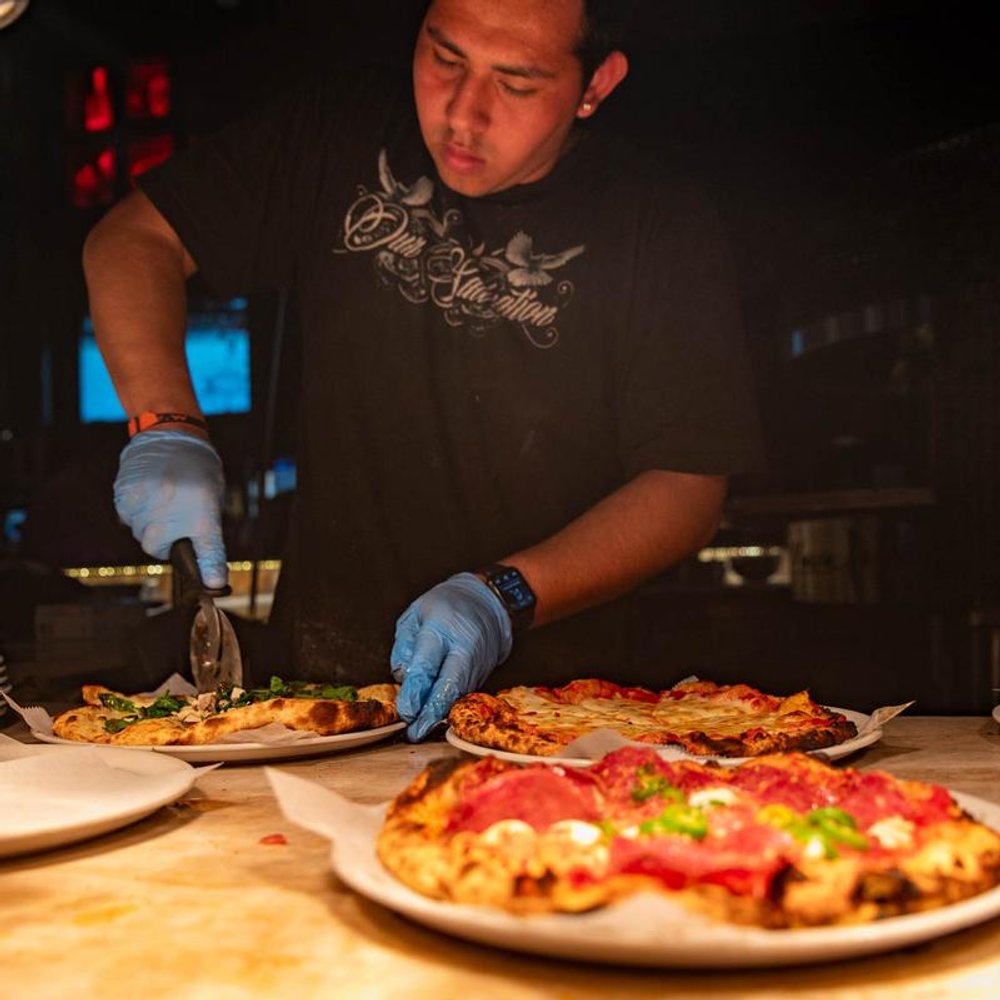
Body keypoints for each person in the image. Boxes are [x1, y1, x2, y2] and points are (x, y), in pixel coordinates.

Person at [82, 0, 763, 740]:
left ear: (596, 83)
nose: (464, 114)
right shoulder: (335, 130)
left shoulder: (658, 222)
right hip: (314, 700)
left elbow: (690, 484)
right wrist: (165, 423)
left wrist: (505, 595)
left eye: (517, 83)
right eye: (445, 58)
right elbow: (134, 238)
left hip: (562, 720)